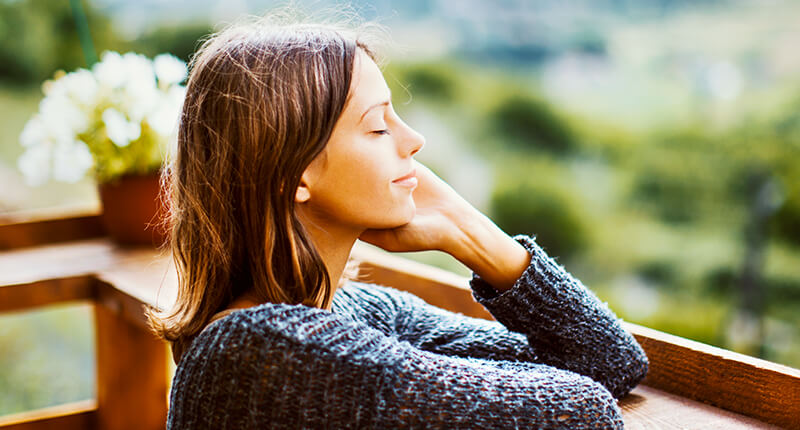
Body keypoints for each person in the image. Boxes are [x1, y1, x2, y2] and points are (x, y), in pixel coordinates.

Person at [146, 12, 649, 430]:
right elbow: (582, 411)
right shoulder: (262, 351)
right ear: (292, 176)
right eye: (378, 126)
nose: (413, 141)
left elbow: (609, 362)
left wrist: (465, 230)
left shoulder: (355, 311)